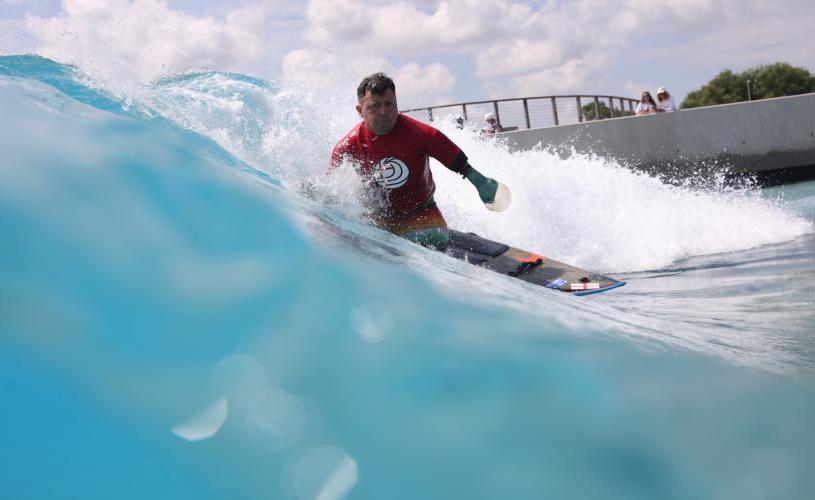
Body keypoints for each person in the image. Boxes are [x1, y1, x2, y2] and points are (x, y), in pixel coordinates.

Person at [330, 72, 507, 249]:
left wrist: (482, 184)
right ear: (360, 111)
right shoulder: (347, 147)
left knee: (434, 241)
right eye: (375, 106)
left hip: (422, 212)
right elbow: (332, 190)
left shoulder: (420, 134)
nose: (384, 111)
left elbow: (462, 166)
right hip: (378, 220)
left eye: (389, 104)